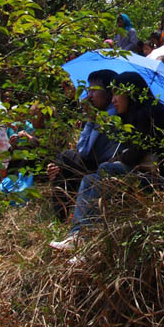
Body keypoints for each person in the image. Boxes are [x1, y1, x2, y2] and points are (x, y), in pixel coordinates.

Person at [50, 72, 164, 251]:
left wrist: (119, 157)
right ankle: (79, 235)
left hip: (161, 182)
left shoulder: (150, 113)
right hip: (142, 177)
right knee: (90, 180)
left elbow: (133, 155)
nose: (113, 100)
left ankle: (83, 236)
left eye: (117, 94)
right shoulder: (131, 116)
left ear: (130, 93)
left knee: (106, 169)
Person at [47, 70, 120, 220]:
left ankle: (61, 217)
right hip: (101, 164)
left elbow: (84, 152)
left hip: (104, 167)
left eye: (94, 90)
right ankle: (65, 215)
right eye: (89, 90)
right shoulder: (107, 113)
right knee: (63, 160)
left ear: (108, 93)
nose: (89, 95)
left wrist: (91, 119)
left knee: (66, 158)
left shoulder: (110, 117)